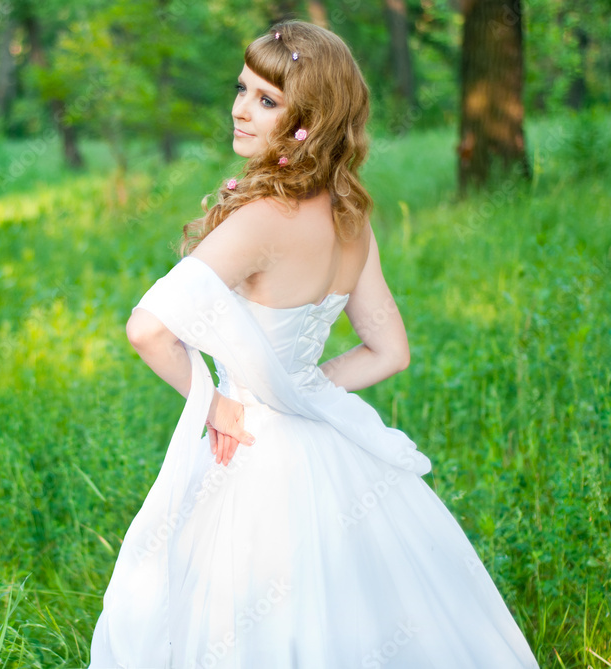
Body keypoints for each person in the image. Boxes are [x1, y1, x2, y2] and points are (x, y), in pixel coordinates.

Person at [87, 20, 540, 668]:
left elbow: (147, 327)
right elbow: (389, 350)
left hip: (254, 448)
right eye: (243, 88)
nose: (242, 108)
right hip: (327, 440)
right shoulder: (350, 218)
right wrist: (305, 387)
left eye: (268, 100)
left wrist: (218, 405)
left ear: (310, 120)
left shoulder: (262, 220)